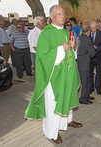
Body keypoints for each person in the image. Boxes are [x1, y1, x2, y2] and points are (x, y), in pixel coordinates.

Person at [25, 5, 82, 144]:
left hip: (66, 73)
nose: (62, 16)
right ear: (51, 17)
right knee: (53, 103)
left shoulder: (64, 31)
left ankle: (65, 122)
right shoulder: (46, 33)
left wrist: (73, 47)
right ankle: (51, 132)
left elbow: (70, 50)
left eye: (63, 14)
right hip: (53, 75)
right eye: (59, 14)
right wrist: (61, 49)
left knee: (66, 98)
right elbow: (43, 56)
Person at [77, 24, 97, 105]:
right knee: (85, 81)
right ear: (88, 30)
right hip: (85, 63)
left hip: (81, 62)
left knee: (87, 80)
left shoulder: (80, 37)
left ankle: (87, 95)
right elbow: (93, 53)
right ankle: (83, 98)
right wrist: (94, 48)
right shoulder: (87, 40)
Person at [90, 21, 101, 95]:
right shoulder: (87, 34)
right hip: (90, 57)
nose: (93, 30)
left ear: (97, 27)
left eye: (94, 28)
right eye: (91, 28)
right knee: (90, 72)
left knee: (98, 73)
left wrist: (97, 47)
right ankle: (91, 87)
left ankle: (98, 88)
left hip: (99, 56)